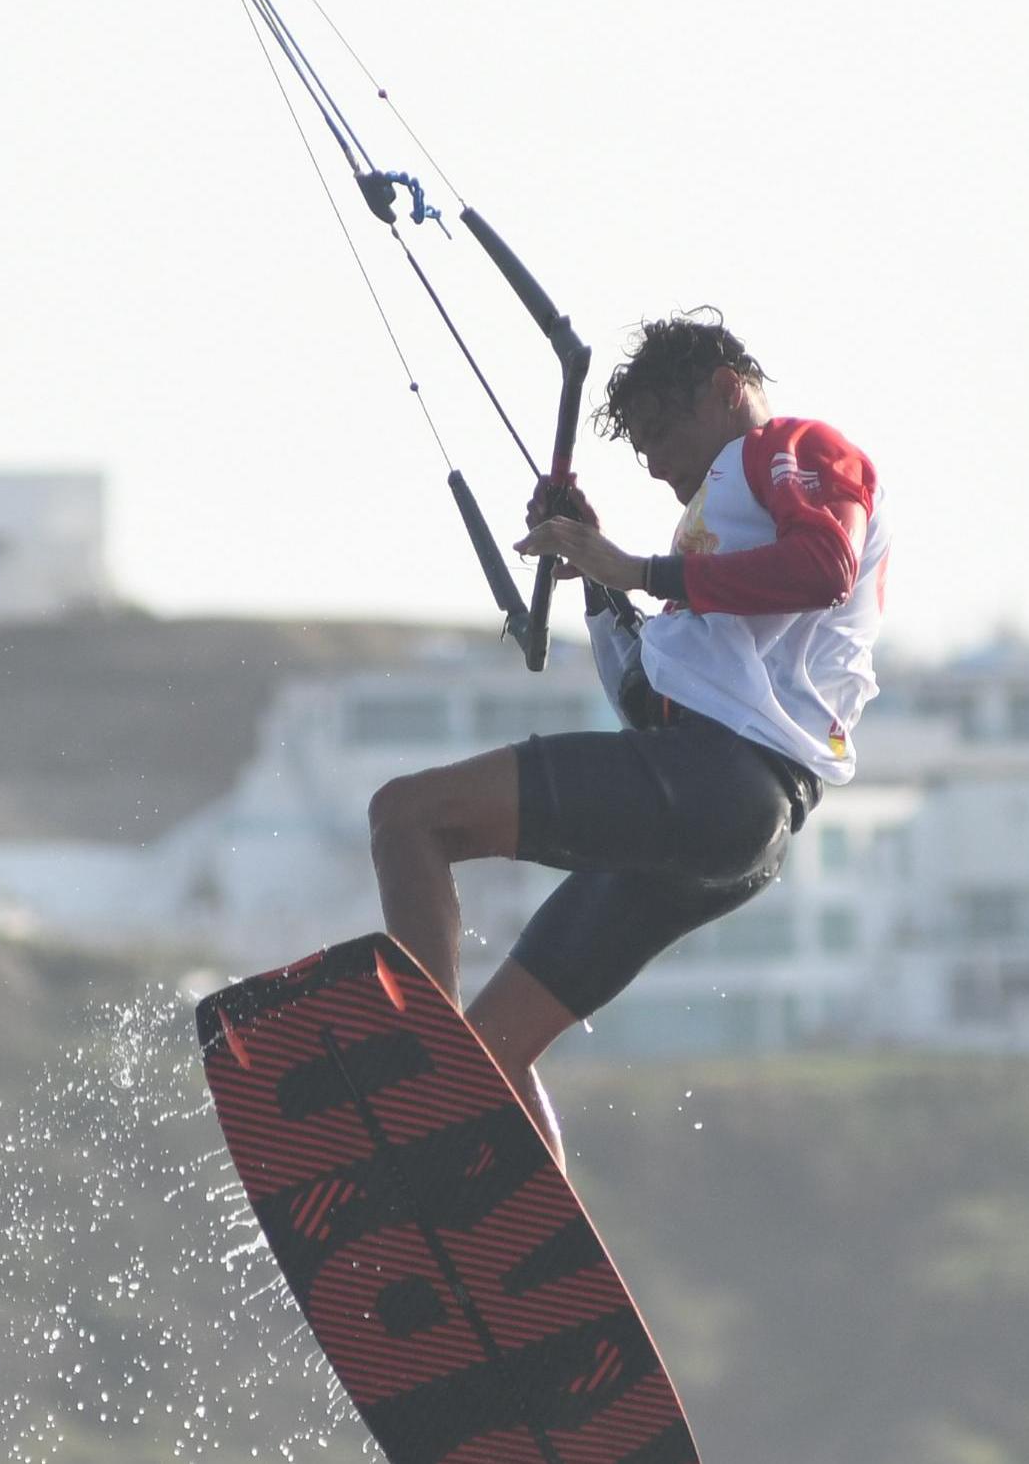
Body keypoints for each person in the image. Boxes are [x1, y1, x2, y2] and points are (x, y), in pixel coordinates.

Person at [365, 313, 886, 1152]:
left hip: (725, 781)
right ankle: (518, 1261)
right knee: (491, 1053)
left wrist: (638, 570)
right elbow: (653, 700)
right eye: (638, 445)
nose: (653, 462)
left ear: (725, 391)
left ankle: (420, 1095)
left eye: (660, 431)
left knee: (406, 815)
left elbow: (826, 565)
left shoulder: (791, 446)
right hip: (723, 819)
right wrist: (594, 579)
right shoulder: (720, 541)